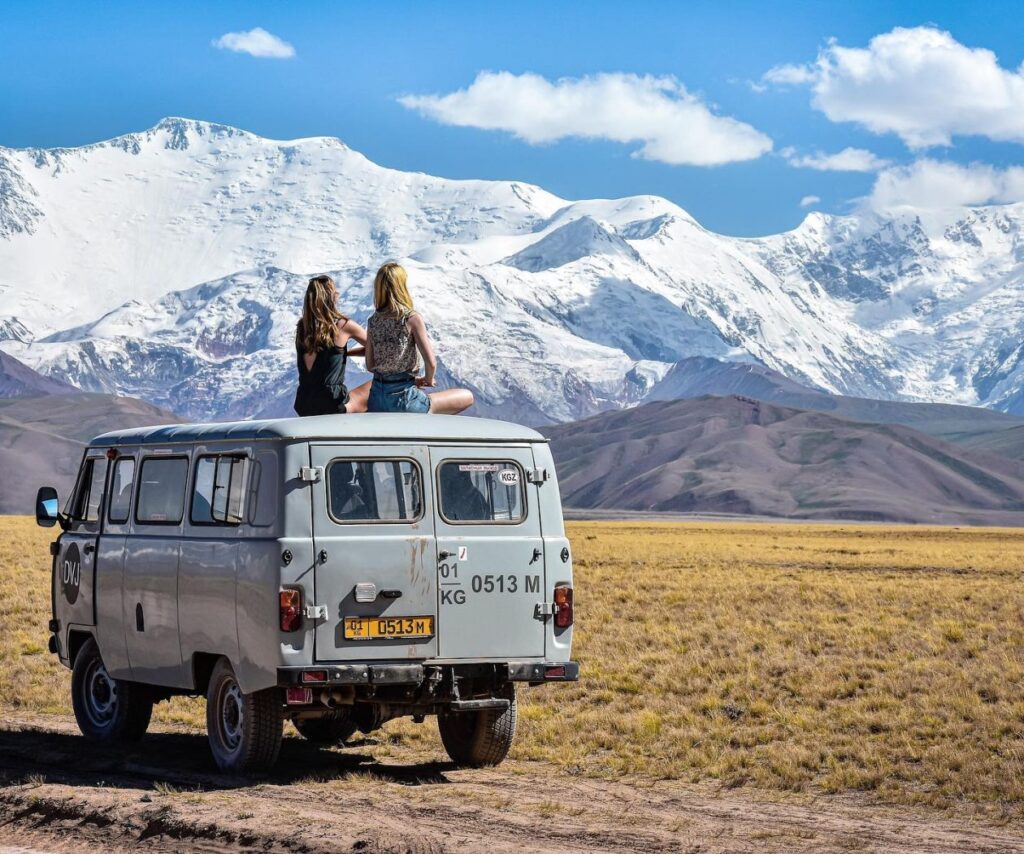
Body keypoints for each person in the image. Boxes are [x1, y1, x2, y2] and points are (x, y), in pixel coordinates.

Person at [365, 262, 474, 415]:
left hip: (376, 398)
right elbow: (431, 363)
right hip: (405, 400)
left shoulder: (373, 321)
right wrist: (428, 379)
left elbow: (370, 365)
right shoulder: (411, 318)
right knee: (466, 397)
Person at [293, 275, 371, 416]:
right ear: (332, 297)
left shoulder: (302, 328)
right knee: (378, 385)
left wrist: (341, 353)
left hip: (303, 402)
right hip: (331, 402)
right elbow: (378, 348)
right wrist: (346, 353)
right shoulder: (343, 325)